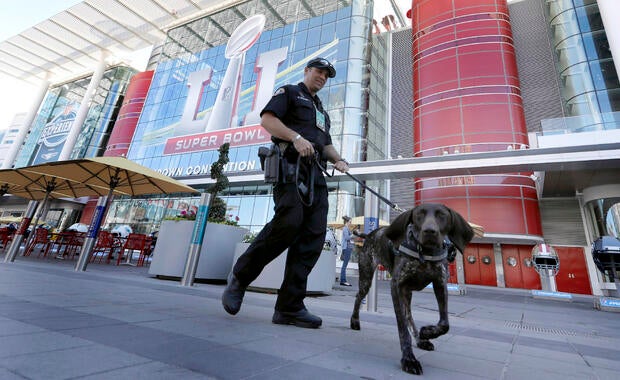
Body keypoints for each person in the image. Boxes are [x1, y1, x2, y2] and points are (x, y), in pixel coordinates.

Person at [222, 57, 349, 329]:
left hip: (316, 177)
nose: (322, 78)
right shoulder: (290, 92)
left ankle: (289, 308)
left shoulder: (321, 111)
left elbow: (325, 145)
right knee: (288, 224)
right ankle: (240, 277)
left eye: (327, 75)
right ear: (307, 71)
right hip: (290, 170)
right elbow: (268, 121)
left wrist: (339, 159)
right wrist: (295, 137)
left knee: (313, 238)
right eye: (319, 72)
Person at [339, 216, 354, 286]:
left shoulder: (347, 228)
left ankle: (343, 280)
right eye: (350, 222)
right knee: (344, 265)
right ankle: (343, 280)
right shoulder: (345, 229)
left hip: (348, 247)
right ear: (347, 222)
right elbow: (347, 238)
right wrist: (353, 235)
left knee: (345, 264)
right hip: (346, 248)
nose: (350, 223)